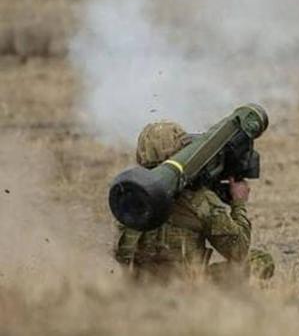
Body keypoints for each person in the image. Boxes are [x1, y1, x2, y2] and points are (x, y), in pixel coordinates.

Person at [113, 121, 274, 282]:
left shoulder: (129, 195)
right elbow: (238, 250)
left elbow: (122, 252)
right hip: (188, 285)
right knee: (261, 260)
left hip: (140, 285)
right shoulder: (199, 200)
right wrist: (238, 203)